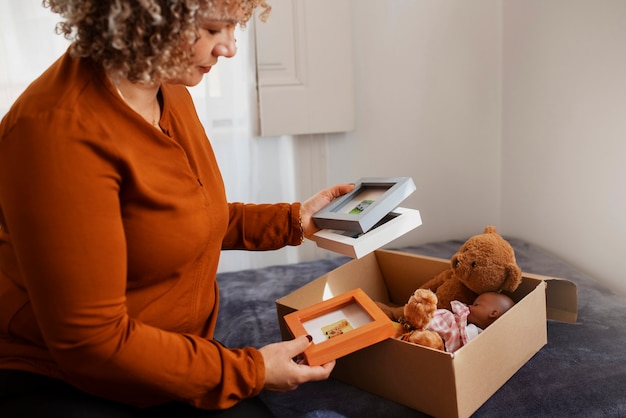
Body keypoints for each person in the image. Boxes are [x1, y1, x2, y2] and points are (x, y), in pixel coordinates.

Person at [0, 0, 354, 416]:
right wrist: (251, 370)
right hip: (71, 376)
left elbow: (186, 219)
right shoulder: (56, 132)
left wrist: (295, 220)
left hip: (173, 356)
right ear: (144, 18)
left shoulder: (165, 86)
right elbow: (91, 341)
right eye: (210, 30)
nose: (229, 49)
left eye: (232, 28)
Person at [425, 292, 515, 352]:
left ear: (493, 313)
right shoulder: (468, 324)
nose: (469, 306)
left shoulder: (476, 333)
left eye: (476, 305)